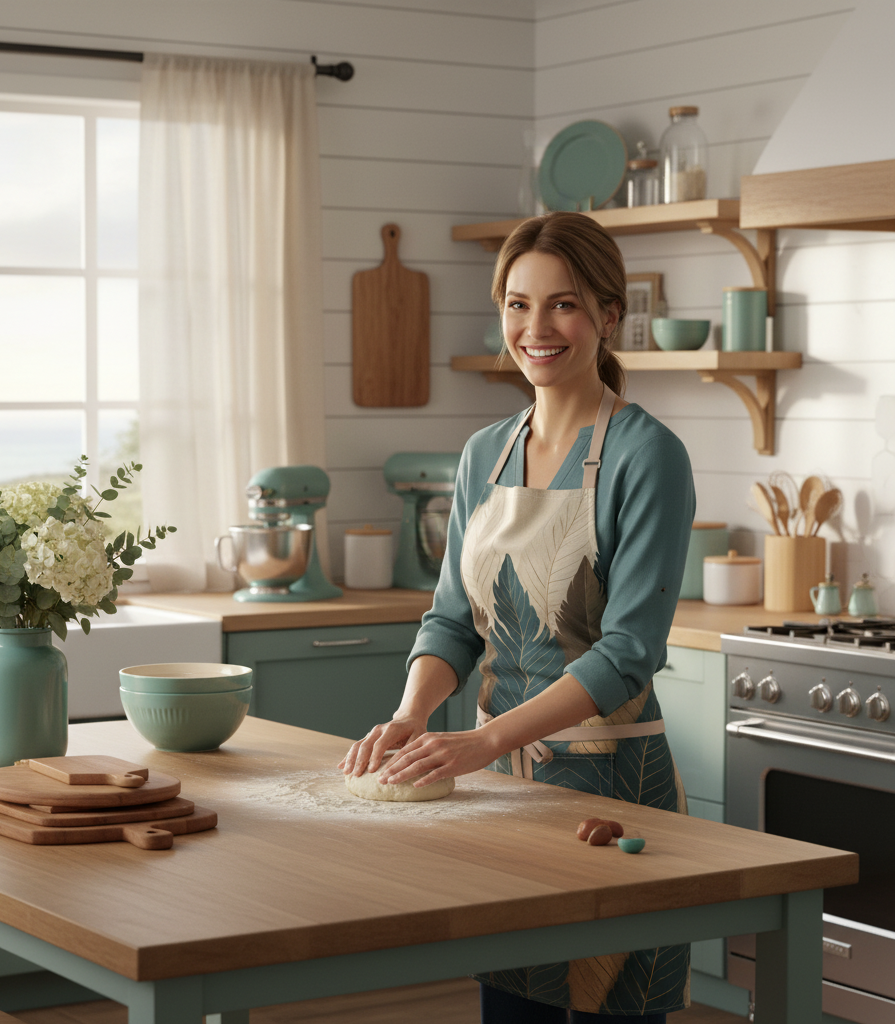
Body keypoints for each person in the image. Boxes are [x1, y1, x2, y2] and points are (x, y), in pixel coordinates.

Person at [339, 211, 696, 1023]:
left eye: (564, 304)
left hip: (612, 789)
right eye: (518, 304)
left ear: (610, 316)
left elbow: (628, 652)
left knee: (613, 998)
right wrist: (412, 715)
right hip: (499, 793)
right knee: (513, 1006)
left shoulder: (648, 455)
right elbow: (452, 622)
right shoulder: (484, 454)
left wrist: (484, 740)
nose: (537, 329)